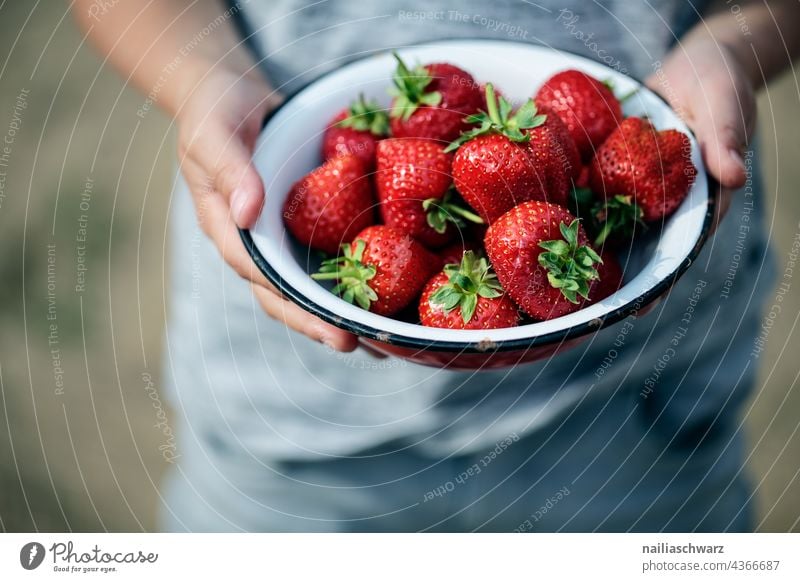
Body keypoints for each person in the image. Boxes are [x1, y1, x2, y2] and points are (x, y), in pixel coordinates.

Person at [73, 0, 799, 532]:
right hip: (295, 425)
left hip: (644, 408)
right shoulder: (453, 191)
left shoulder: (526, 190)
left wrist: (732, 47)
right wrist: (202, 78)